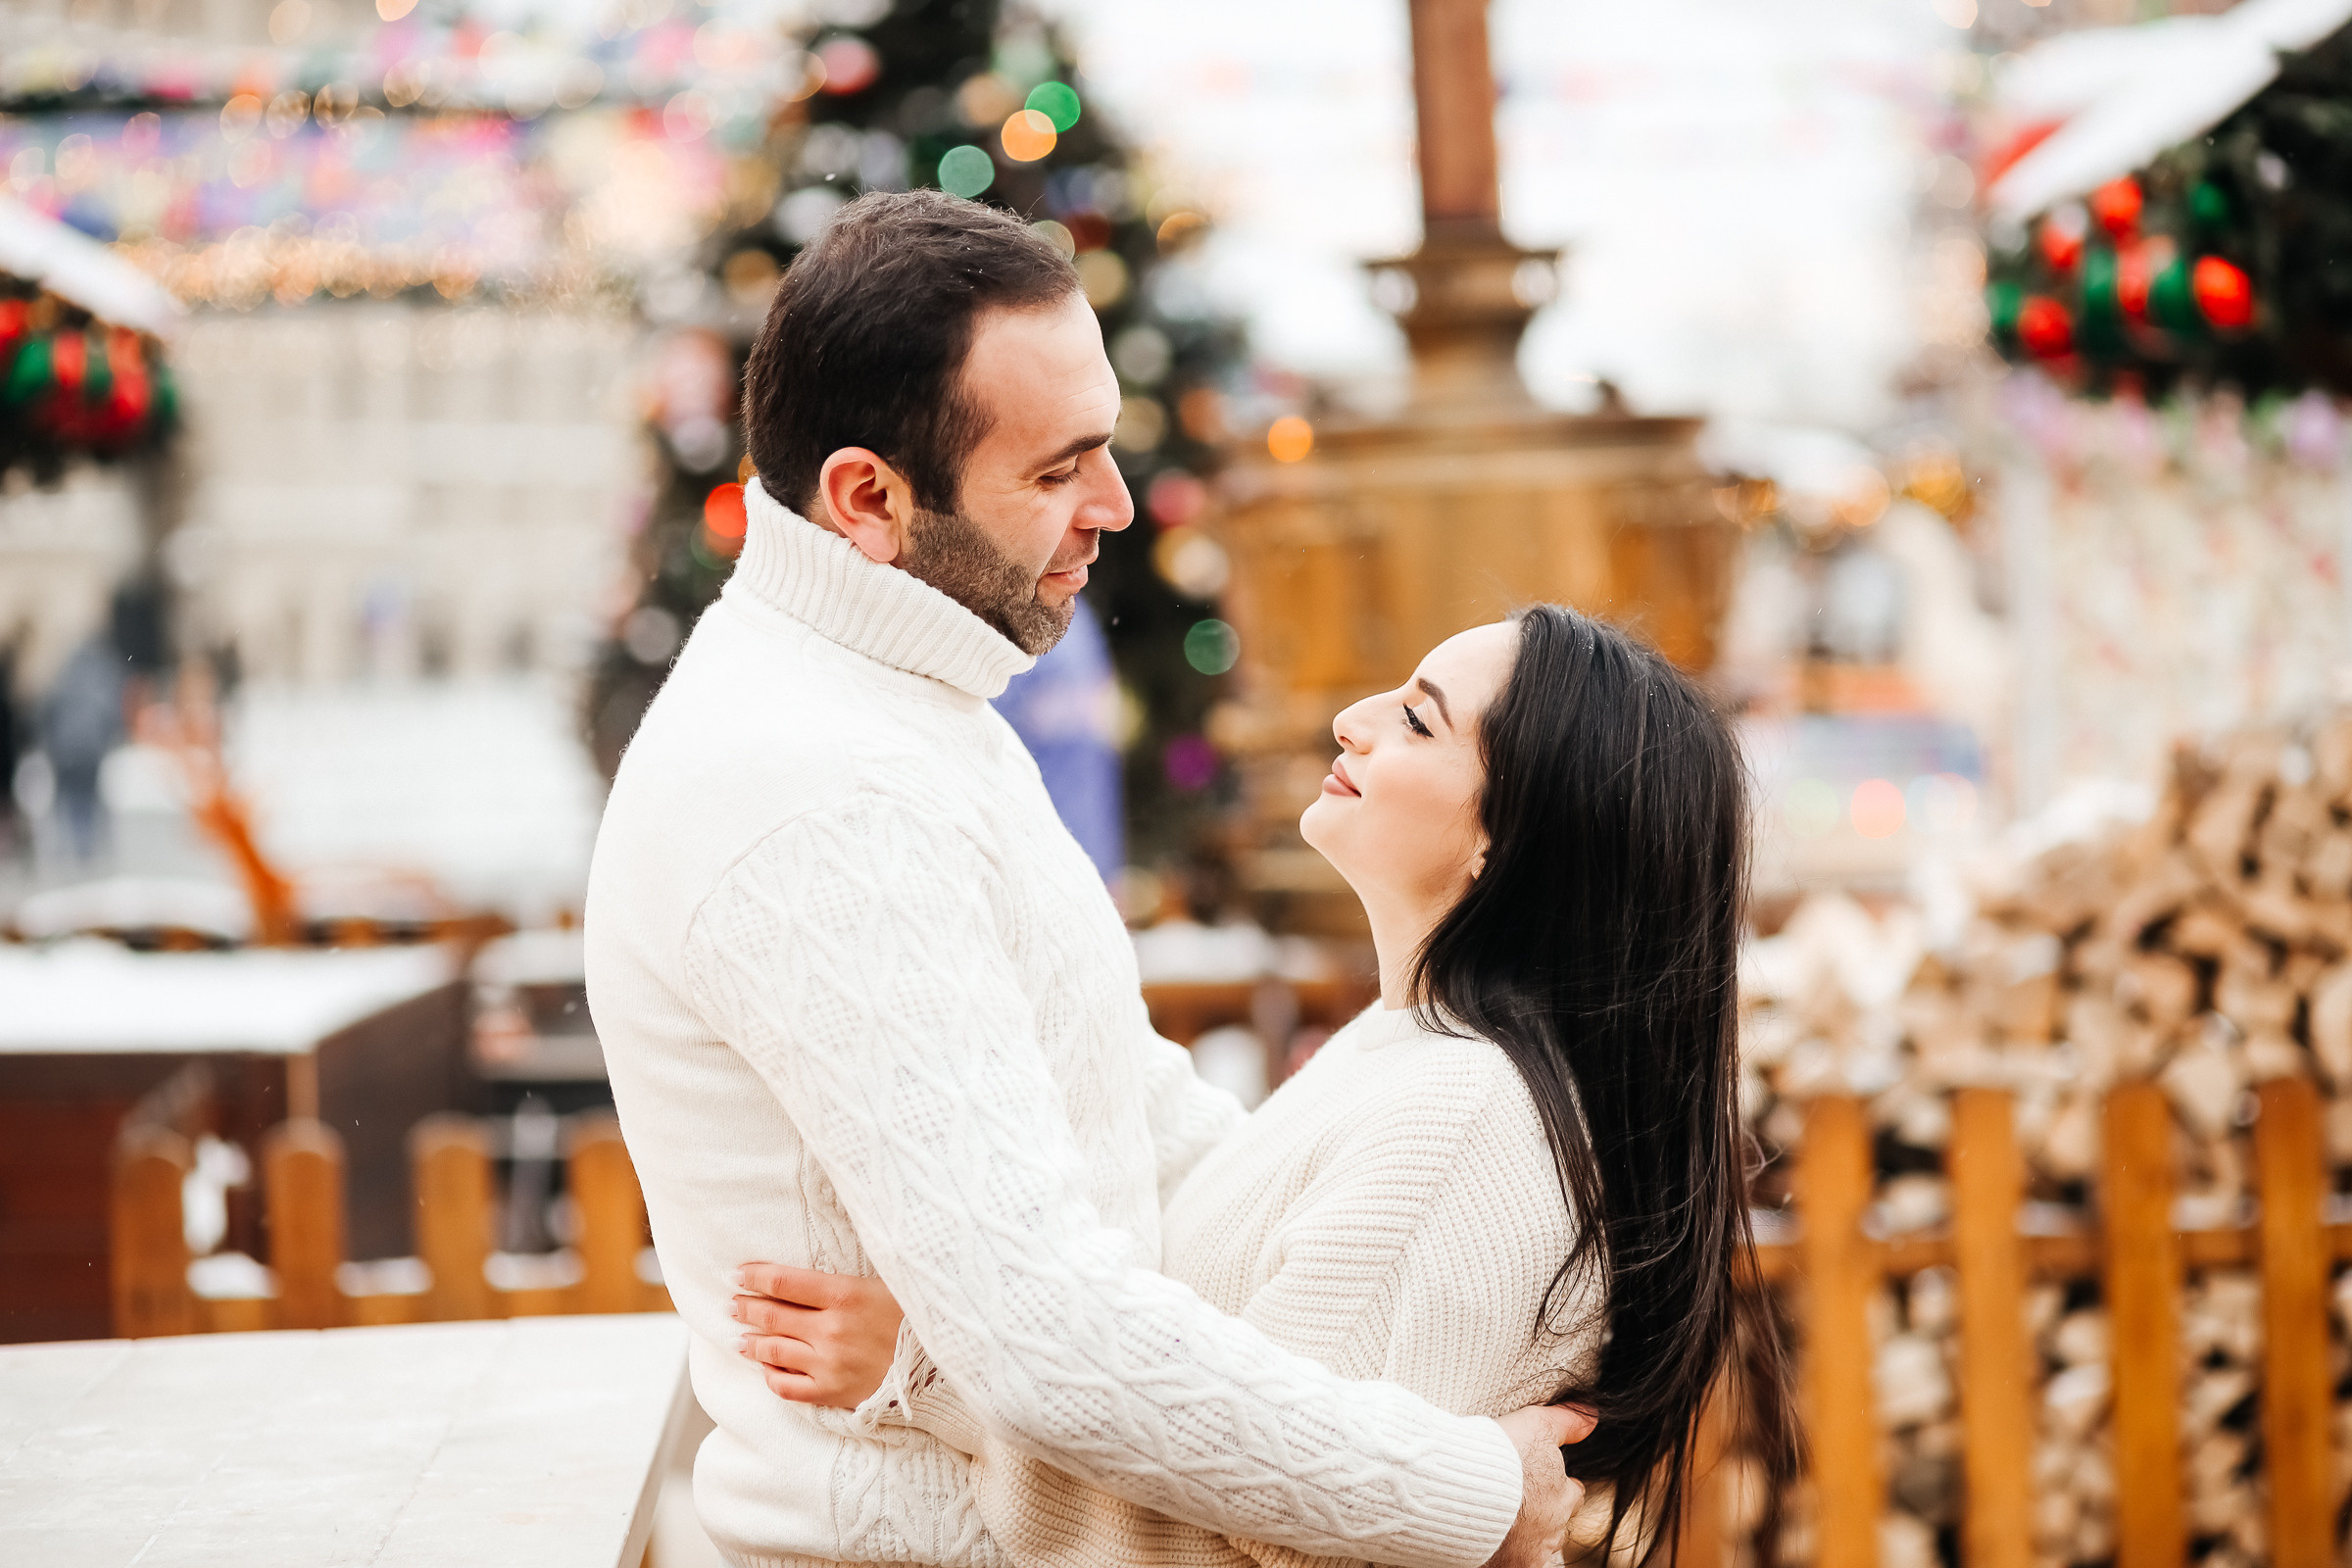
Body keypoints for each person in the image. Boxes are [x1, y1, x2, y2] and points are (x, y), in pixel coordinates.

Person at [583, 188, 1588, 1568]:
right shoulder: (819, 790)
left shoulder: (909, 704)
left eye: (1103, 448)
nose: (1113, 505)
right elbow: (1047, 1333)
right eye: (1056, 471)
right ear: (868, 500)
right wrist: (1466, 1495)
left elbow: (1118, 1108)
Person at [730, 608, 1799, 1567]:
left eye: (1420, 723)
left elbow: (1280, 1543)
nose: (1352, 719)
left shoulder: (1463, 1114)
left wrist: (930, 1373)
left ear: (1509, 838)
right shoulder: (1416, 1054)